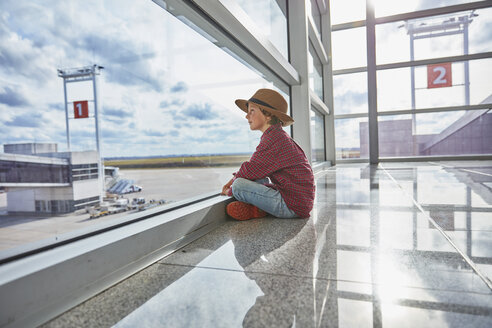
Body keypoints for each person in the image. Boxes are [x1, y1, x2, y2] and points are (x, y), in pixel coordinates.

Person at [221, 88, 315, 221]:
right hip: (298, 201)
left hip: (292, 207)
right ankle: (256, 210)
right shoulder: (278, 136)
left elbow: (249, 169)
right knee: (254, 178)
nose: (247, 116)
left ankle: (256, 207)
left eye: (252, 111)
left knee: (239, 186)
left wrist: (229, 190)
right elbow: (255, 169)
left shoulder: (273, 139)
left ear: (268, 115)